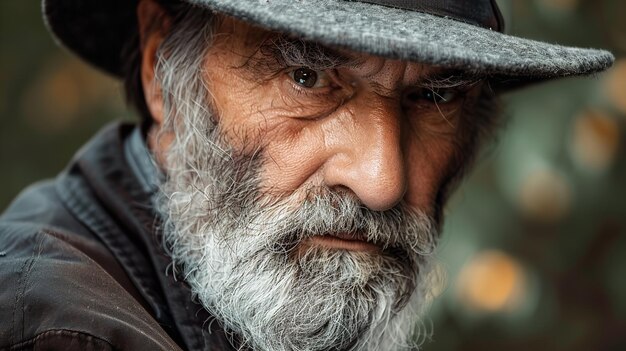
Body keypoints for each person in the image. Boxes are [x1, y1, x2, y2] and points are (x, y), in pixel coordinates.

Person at [0, 0, 614, 350]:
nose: (382, 180)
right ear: (162, 68)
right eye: (307, 78)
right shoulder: (58, 335)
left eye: (436, 97)